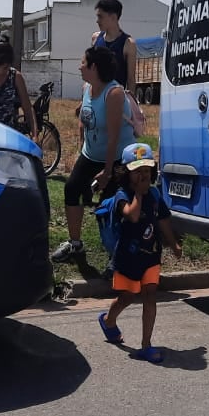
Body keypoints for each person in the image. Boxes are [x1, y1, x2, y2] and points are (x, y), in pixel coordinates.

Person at [50, 47, 135, 264]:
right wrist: (81, 150)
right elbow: (83, 119)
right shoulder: (87, 86)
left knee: (111, 204)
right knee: (72, 189)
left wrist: (107, 172)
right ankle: (75, 244)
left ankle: (117, 256)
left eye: (82, 62)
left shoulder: (114, 94)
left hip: (115, 158)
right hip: (90, 155)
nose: (79, 66)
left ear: (93, 67)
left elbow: (113, 137)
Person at [97, 143, 181, 363]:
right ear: (126, 173)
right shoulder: (121, 196)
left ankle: (146, 345)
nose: (143, 176)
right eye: (137, 172)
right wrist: (138, 195)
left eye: (146, 170)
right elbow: (132, 216)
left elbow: (163, 220)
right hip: (128, 257)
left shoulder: (154, 194)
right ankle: (108, 320)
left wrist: (173, 244)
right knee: (127, 297)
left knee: (150, 294)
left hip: (151, 256)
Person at [91, 0, 137, 93]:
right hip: (95, 100)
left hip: (115, 101)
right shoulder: (95, 38)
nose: (97, 21)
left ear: (113, 17)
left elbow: (131, 80)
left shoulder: (128, 44)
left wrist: (130, 105)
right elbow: (91, 72)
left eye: (100, 17)